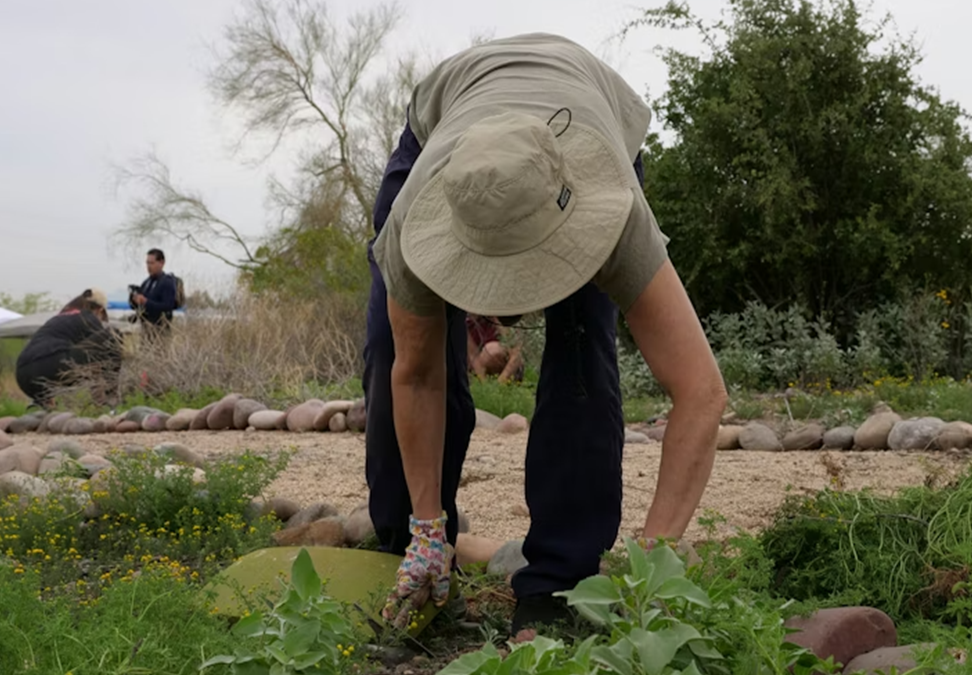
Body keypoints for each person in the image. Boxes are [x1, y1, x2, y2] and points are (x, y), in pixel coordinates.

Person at [363, 33, 728, 637]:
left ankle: (559, 582)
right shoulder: (414, 222)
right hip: (446, 130)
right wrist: (426, 528)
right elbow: (417, 375)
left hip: (588, 121)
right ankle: (415, 553)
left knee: (581, 350)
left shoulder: (616, 217)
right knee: (392, 349)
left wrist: (652, 560)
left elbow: (701, 393)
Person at [16, 288, 124, 409]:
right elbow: (103, 352)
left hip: (23, 376)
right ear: (99, 310)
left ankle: (42, 404)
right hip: (52, 365)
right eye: (102, 317)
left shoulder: (58, 319)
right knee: (113, 335)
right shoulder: (87, 317)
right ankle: (112, 398)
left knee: (82, 359)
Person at [129, 248, 177, 336]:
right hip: (146, 330)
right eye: (147, 263)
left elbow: (168, 306)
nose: (149, 266)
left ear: (161, 263)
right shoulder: (146, 282)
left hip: (160, 331)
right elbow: (139, 307)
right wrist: (134, 300)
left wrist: (146, 302)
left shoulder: (167, 282)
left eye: (152, 263)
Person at [466, 314, 524, 383]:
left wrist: (501, 381)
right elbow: (473, 358)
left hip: (507, 368)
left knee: (491, 349)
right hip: (478, 370)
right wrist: (484, 385)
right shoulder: (464, 324)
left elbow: (515, 355)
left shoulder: (500, 318)